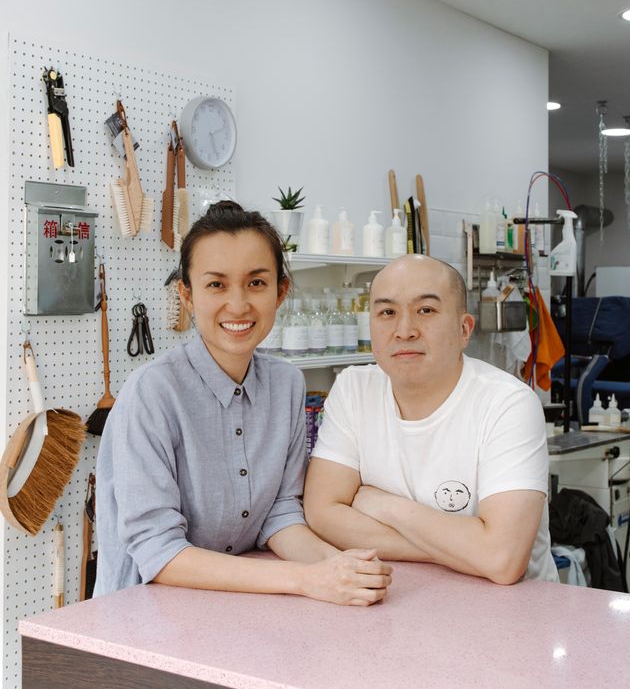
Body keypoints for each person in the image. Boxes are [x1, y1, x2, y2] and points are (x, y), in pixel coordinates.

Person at [93, 202, 392, 606]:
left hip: (242, 610)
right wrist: (303, 579)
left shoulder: (286, 383)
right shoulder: (152, 392)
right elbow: (159, 553)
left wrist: (342, 568)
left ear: (280, 291)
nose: (238, 305)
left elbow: (280, 514)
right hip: (147, 620)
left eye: (256, 283)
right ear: (186, 294)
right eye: (216, 284)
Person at [304, 254, 558, 584]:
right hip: (402, 598)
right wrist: (462, 547)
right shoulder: (354, 388)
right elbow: (322, 514)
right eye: (387, 312)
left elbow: (502, 559)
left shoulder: (507, 403)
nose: (404, 330)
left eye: (426, 310)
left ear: (464, 328)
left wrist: (384, 505)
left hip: (513, 616)